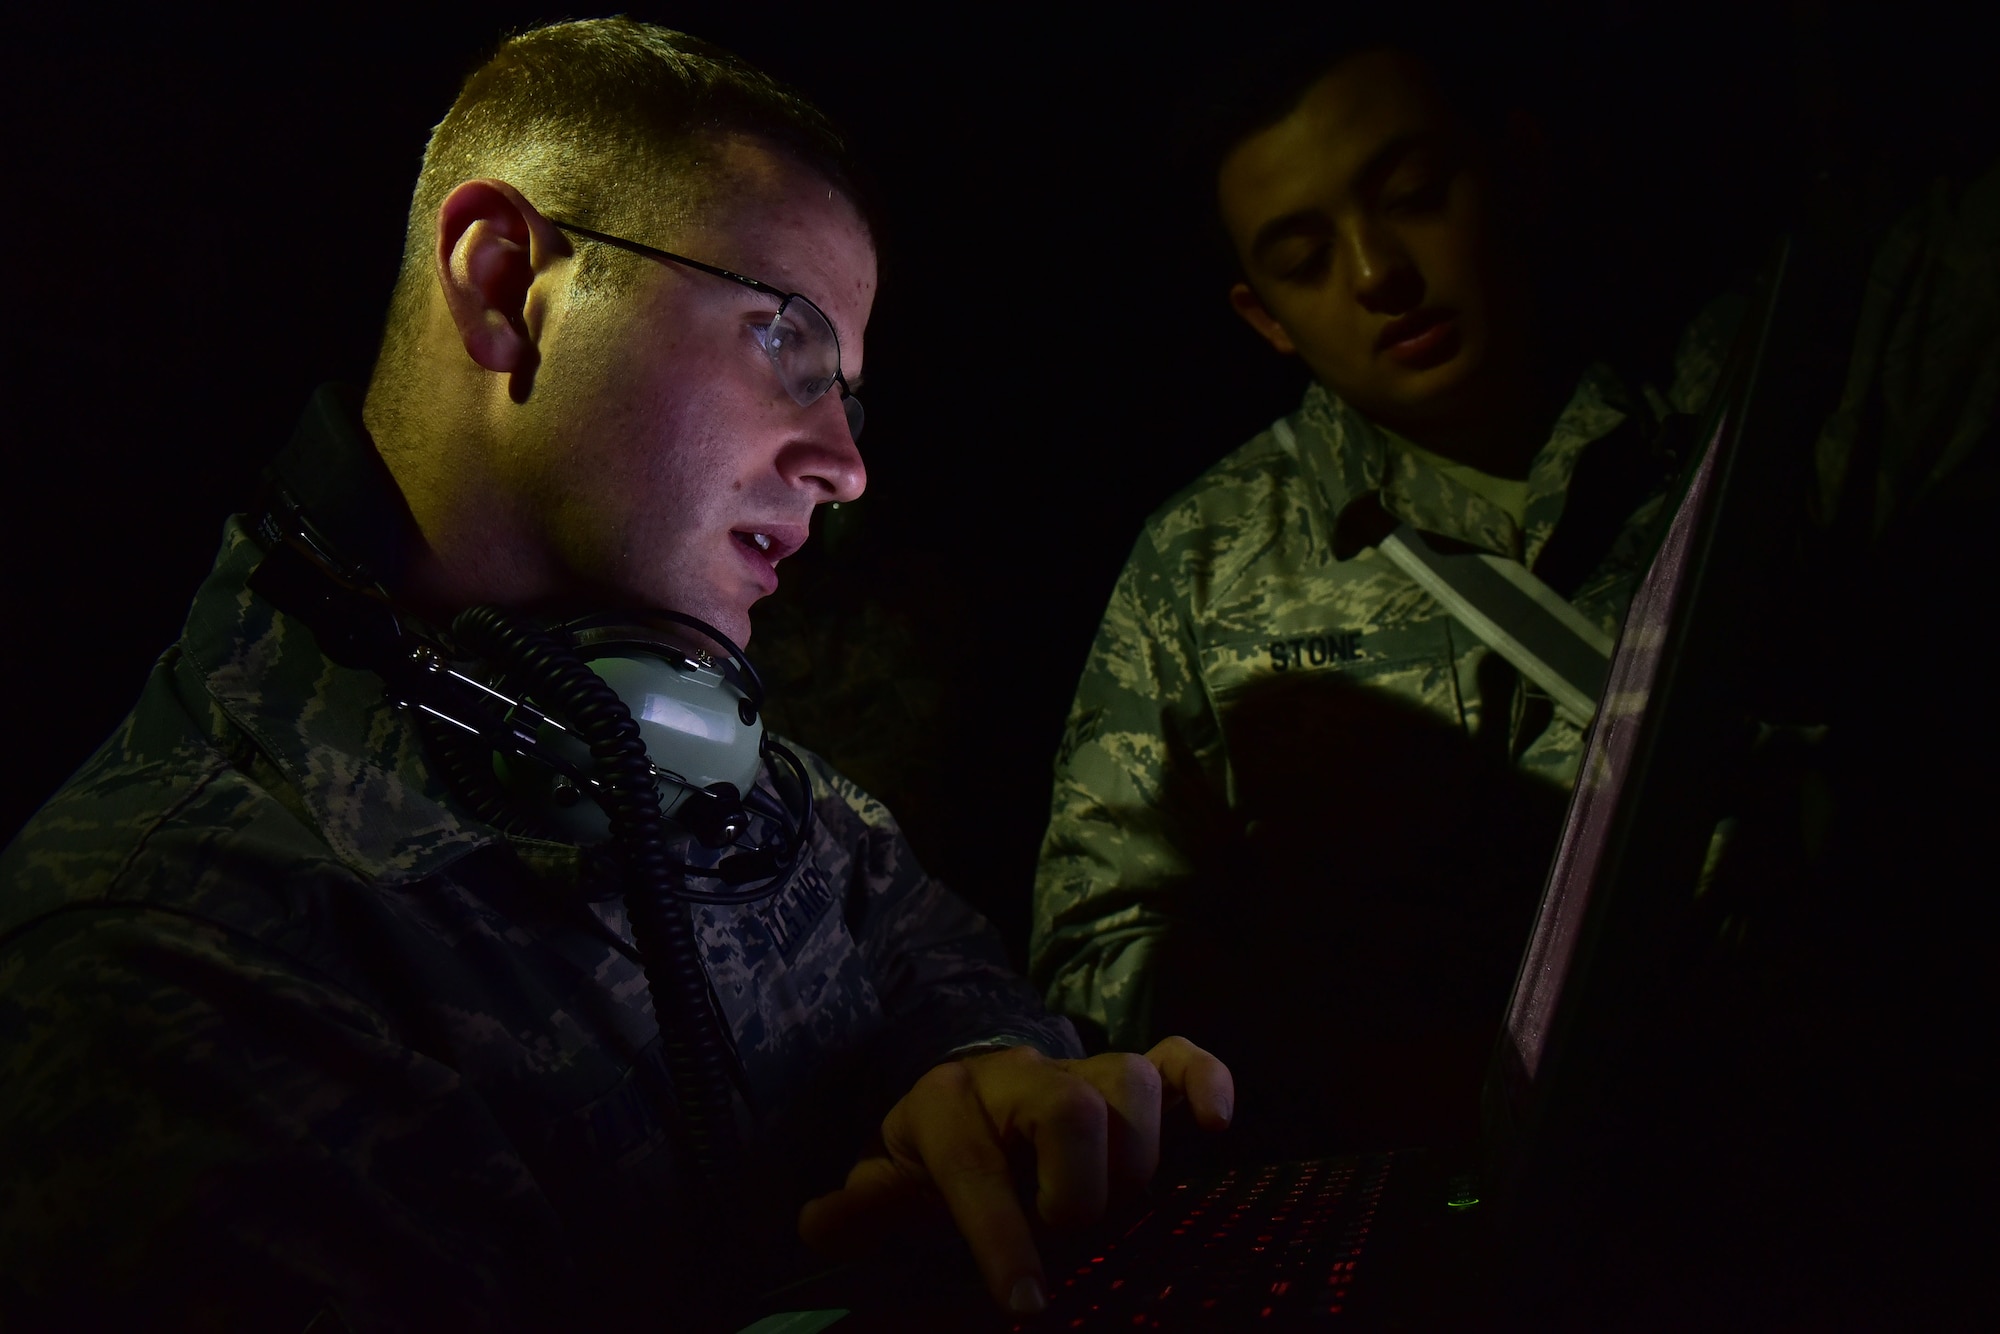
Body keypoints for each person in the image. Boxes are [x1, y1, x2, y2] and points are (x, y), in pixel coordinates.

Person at [0, 20, 1232, 1330]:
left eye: (849, 396)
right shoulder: (165, 957)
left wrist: (985, 1082)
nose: (845, 464)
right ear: (503, 283)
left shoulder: (692, 745)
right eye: (786, 345)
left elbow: (933, 954)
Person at [1030, 34, 1737, 1149]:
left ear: (1515, 170)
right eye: (1303, 260)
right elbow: (1094, 949)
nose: (1376, 273)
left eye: (1410, 196)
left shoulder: (1734, 438)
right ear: (1262, 315)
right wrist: (1324, 1003)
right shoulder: (1200, 560)